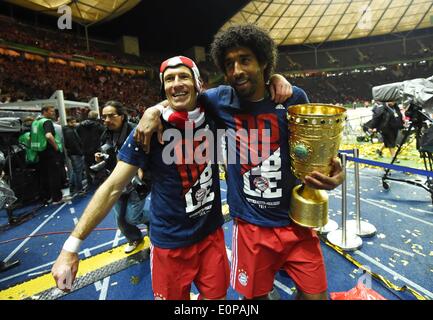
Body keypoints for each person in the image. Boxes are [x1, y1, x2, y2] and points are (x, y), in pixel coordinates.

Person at [135, 24, 344, 300]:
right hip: (250, 225)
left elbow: (315, 149)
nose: (236, 71)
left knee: (316, 295)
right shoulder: (218, 99)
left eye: (245, 60)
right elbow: (182, 97)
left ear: (264, 61)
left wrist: (334, 169)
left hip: (295, 221)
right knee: (256, 298)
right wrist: (153, 109)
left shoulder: (294, 98)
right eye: (229, 63)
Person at [51, 57, 230, 300]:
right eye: (169, 79)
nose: (176, 84)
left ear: (198, 83)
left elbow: (250, 88)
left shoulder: (212, 114)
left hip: (211, 235)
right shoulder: (149, 130)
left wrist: (276, 79)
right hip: (171, 243)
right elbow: (113, 186)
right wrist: (71, 247)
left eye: (183, 77)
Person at [97, 101, 149, 253]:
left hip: (136, 181)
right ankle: (135, 238)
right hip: (116, 181)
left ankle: (156, 221)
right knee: (120, 218)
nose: (107, 120)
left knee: (132, 217)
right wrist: (101, 157)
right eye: (104, 117)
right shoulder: (105, 134)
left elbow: (149, 152)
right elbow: (108, 153)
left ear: (122, 116)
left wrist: (141, 167)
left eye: (111, 116)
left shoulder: (136, 131)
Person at [30, 105, 65, 204]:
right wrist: (56, 147)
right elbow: (48, 135)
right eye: (51, 111)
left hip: (40, 152)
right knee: (54, 176)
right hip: (50, 152)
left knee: (45, 175)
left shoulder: (35, 122)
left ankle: (47, 197)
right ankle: (57, 198)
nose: (53, 113)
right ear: (45, 111)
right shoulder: (46, 122)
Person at [76, 110, 105, 188]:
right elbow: (104, 136)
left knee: (87, 166)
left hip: (85, 149)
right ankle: (99, 182)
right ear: (96, 117)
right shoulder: (99, 126)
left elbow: (77, 137)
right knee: (99, 166)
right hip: (97, 149)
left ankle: (90, 183)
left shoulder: (79, 125)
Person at [62, 117, 85, 196]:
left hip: (73, 153)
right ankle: (80, 189)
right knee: (78, 172)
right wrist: (80, 152)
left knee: (74, 171)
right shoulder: (70, 132)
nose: (75, 124)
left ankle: (72, 188)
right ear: (69, 122)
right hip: (76, 153)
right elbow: (74, 144)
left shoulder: (67, 130)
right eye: (73, 122)